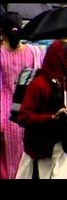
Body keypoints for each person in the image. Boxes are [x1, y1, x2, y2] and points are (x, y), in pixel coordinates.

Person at [15, 40, 67, 179]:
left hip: (64, 149)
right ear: (61, 58)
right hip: (43, 152)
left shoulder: (66, 82)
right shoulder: (39, 85)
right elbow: (23, 117)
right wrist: (51, 118)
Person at [0, 12, 43, 179]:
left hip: (6, 117)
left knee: (9, 166)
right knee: (28, 165)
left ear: (2, 32)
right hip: (30, 114)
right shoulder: (35, 52)